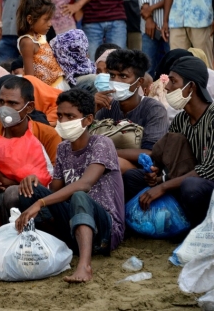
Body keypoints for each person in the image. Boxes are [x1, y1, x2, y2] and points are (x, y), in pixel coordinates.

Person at [15, 88, 124, 283]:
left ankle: (84, 265)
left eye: (70, 116)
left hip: (104, 229)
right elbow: (55, 190)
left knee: (79, 196)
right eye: (60, 115)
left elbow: (85, 184)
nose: (63, 121)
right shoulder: (63, 147)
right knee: (27, 190)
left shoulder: (101, 143)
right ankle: (55, 244)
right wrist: (35, 182)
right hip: (73, 222)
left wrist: (40, 203)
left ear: (88, 120)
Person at [123, 56, 214, 228]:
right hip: (183, 180)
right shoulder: (181, 119)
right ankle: (161, 221)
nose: (168, 86)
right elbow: (170, 157)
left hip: (205, 186)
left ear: (191, 87)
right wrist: (157, 177)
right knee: (132, 177)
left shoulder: (212, 117)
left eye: (173, 81)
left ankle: (197, 228)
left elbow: (209, 170)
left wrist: (163, 187)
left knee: (191, 186)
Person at [0, 77, 61, 220]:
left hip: (35, 201)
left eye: (12, 103)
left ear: (29, 107)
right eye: (1, 102)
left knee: (13, 193)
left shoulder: (47, 135)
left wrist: (7, 182)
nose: (4, 108)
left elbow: (53, 183)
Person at [95, 49, 169, 173]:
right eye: (112, 75)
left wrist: (107, 152)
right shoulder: (106, 108)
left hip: (143, 173)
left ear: (139, 82)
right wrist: (93, 110)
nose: (116, 81)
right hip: (104, 165)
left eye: (123, 76)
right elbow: (85, 143)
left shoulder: (154, 109)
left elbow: (150, 153)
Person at [16, 0, 65, 89]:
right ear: (30, 19)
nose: (50, 24)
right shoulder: (27, 42)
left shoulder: (40, 36)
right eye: (46, 20)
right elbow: (30, 77)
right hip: (48, 91)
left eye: (50, 19)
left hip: (59, 84)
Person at [137, 0, 171, 77]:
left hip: (171, 24)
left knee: (171, 69)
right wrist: (149, 18)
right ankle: (147, 96)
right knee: (146, 69)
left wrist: (150, 8)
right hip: (148, 25)